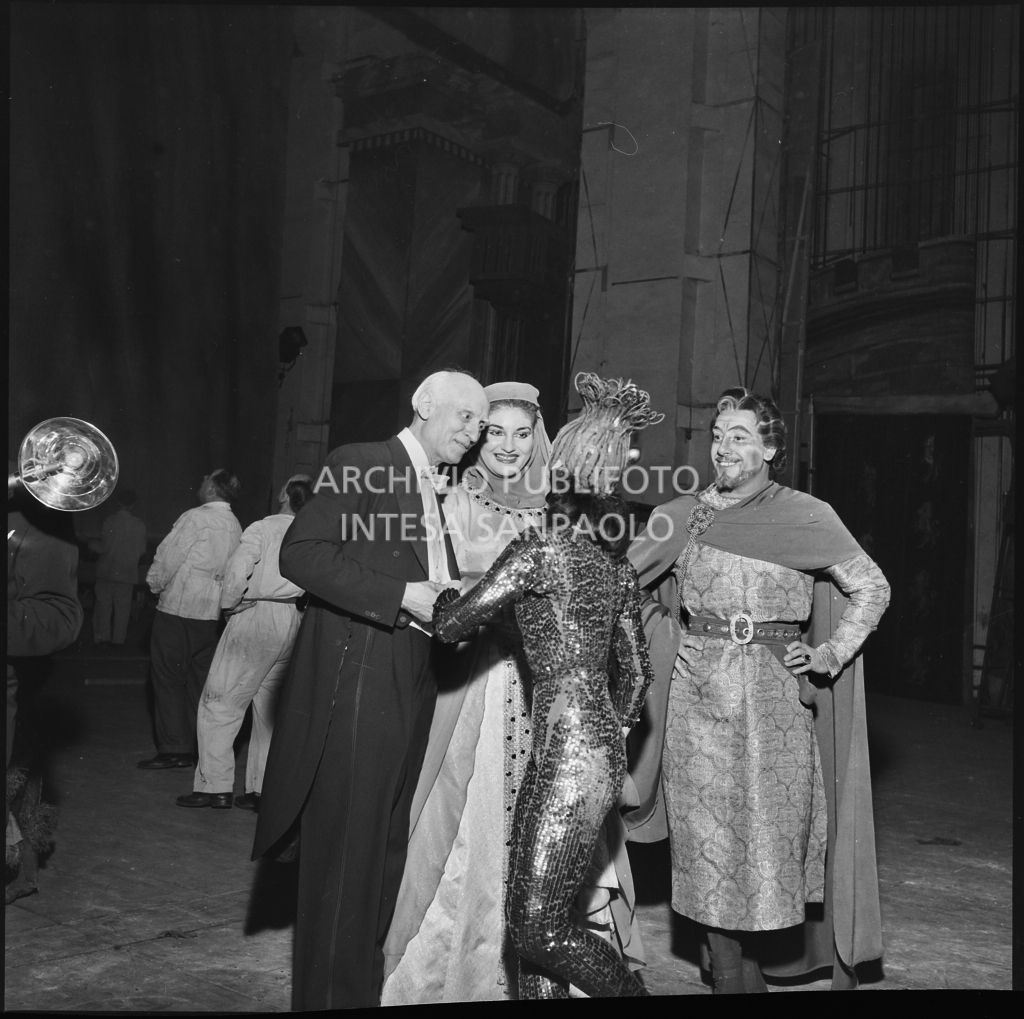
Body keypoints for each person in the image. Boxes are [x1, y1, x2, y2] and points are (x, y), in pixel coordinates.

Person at [383, 381, 646, 1002]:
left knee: (536, 914)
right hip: (478, 692)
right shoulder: (449, 501)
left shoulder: (546, 542)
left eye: (522, 433)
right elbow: (633, 675)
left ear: (546, 447)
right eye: (491, 430)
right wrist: (610, 730)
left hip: (545, 713)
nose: (506, 444)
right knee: (475, 843)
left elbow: (453, 615)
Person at [624, 386, 891, 993]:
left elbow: (873, 588)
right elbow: (620, 588)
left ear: (770, 447)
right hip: (699, 707)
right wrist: (665, 641)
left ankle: (754, 978)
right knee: (710, 856)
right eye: (717, 438)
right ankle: (730, 981)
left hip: (778, 708)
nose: (724, 449)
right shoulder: (683, 516)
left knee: (771, 856)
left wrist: (828, 654)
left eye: (740, 437)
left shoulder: (808, 516)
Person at [252, 370, 490, 1011]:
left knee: (379, 860)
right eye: (464, 417)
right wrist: (402, 596)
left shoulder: (435, 488)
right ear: (423, 406)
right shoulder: (364, 463)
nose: (472, 434)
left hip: (409, 677)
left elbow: (421, 576)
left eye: (479, 423)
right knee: (347, 867)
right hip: (359, 683)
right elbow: (300, 553)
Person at [176, 475, 315, 811]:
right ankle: (260, 790)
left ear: (283, 492)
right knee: (270, 710)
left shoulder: (263, 528)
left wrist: (229, 604)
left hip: (255, 616)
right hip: (292, 622)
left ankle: (214, 787)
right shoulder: (311, 535)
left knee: (220, 703)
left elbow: (238, 570)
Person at [7, 475, 84, 902]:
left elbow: (58, 618)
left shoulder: (41, 523)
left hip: (21, 674)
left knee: (22, 776)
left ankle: (22, 873)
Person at [138, 469, 242, 771]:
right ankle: (198, 747)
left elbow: (168, 557)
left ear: (211, 489)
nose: (200, 483)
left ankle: (174, 749)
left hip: (179, 610)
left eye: (204, 480)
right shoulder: (234, 524)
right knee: (199, 682)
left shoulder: (195, 517)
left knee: (168, 679)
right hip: (211, 616)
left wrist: (154, 585)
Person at [90, 487, 147, 646]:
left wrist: (91, 544)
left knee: (103, 606)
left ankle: (103, 638)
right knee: (123, 609)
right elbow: (142, 550)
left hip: (107, 571)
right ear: (134, 504)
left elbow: (103, 547)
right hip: (127, 573)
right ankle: (118, 641)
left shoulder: (110, 521)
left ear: (117, 502)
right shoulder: (139, 525)